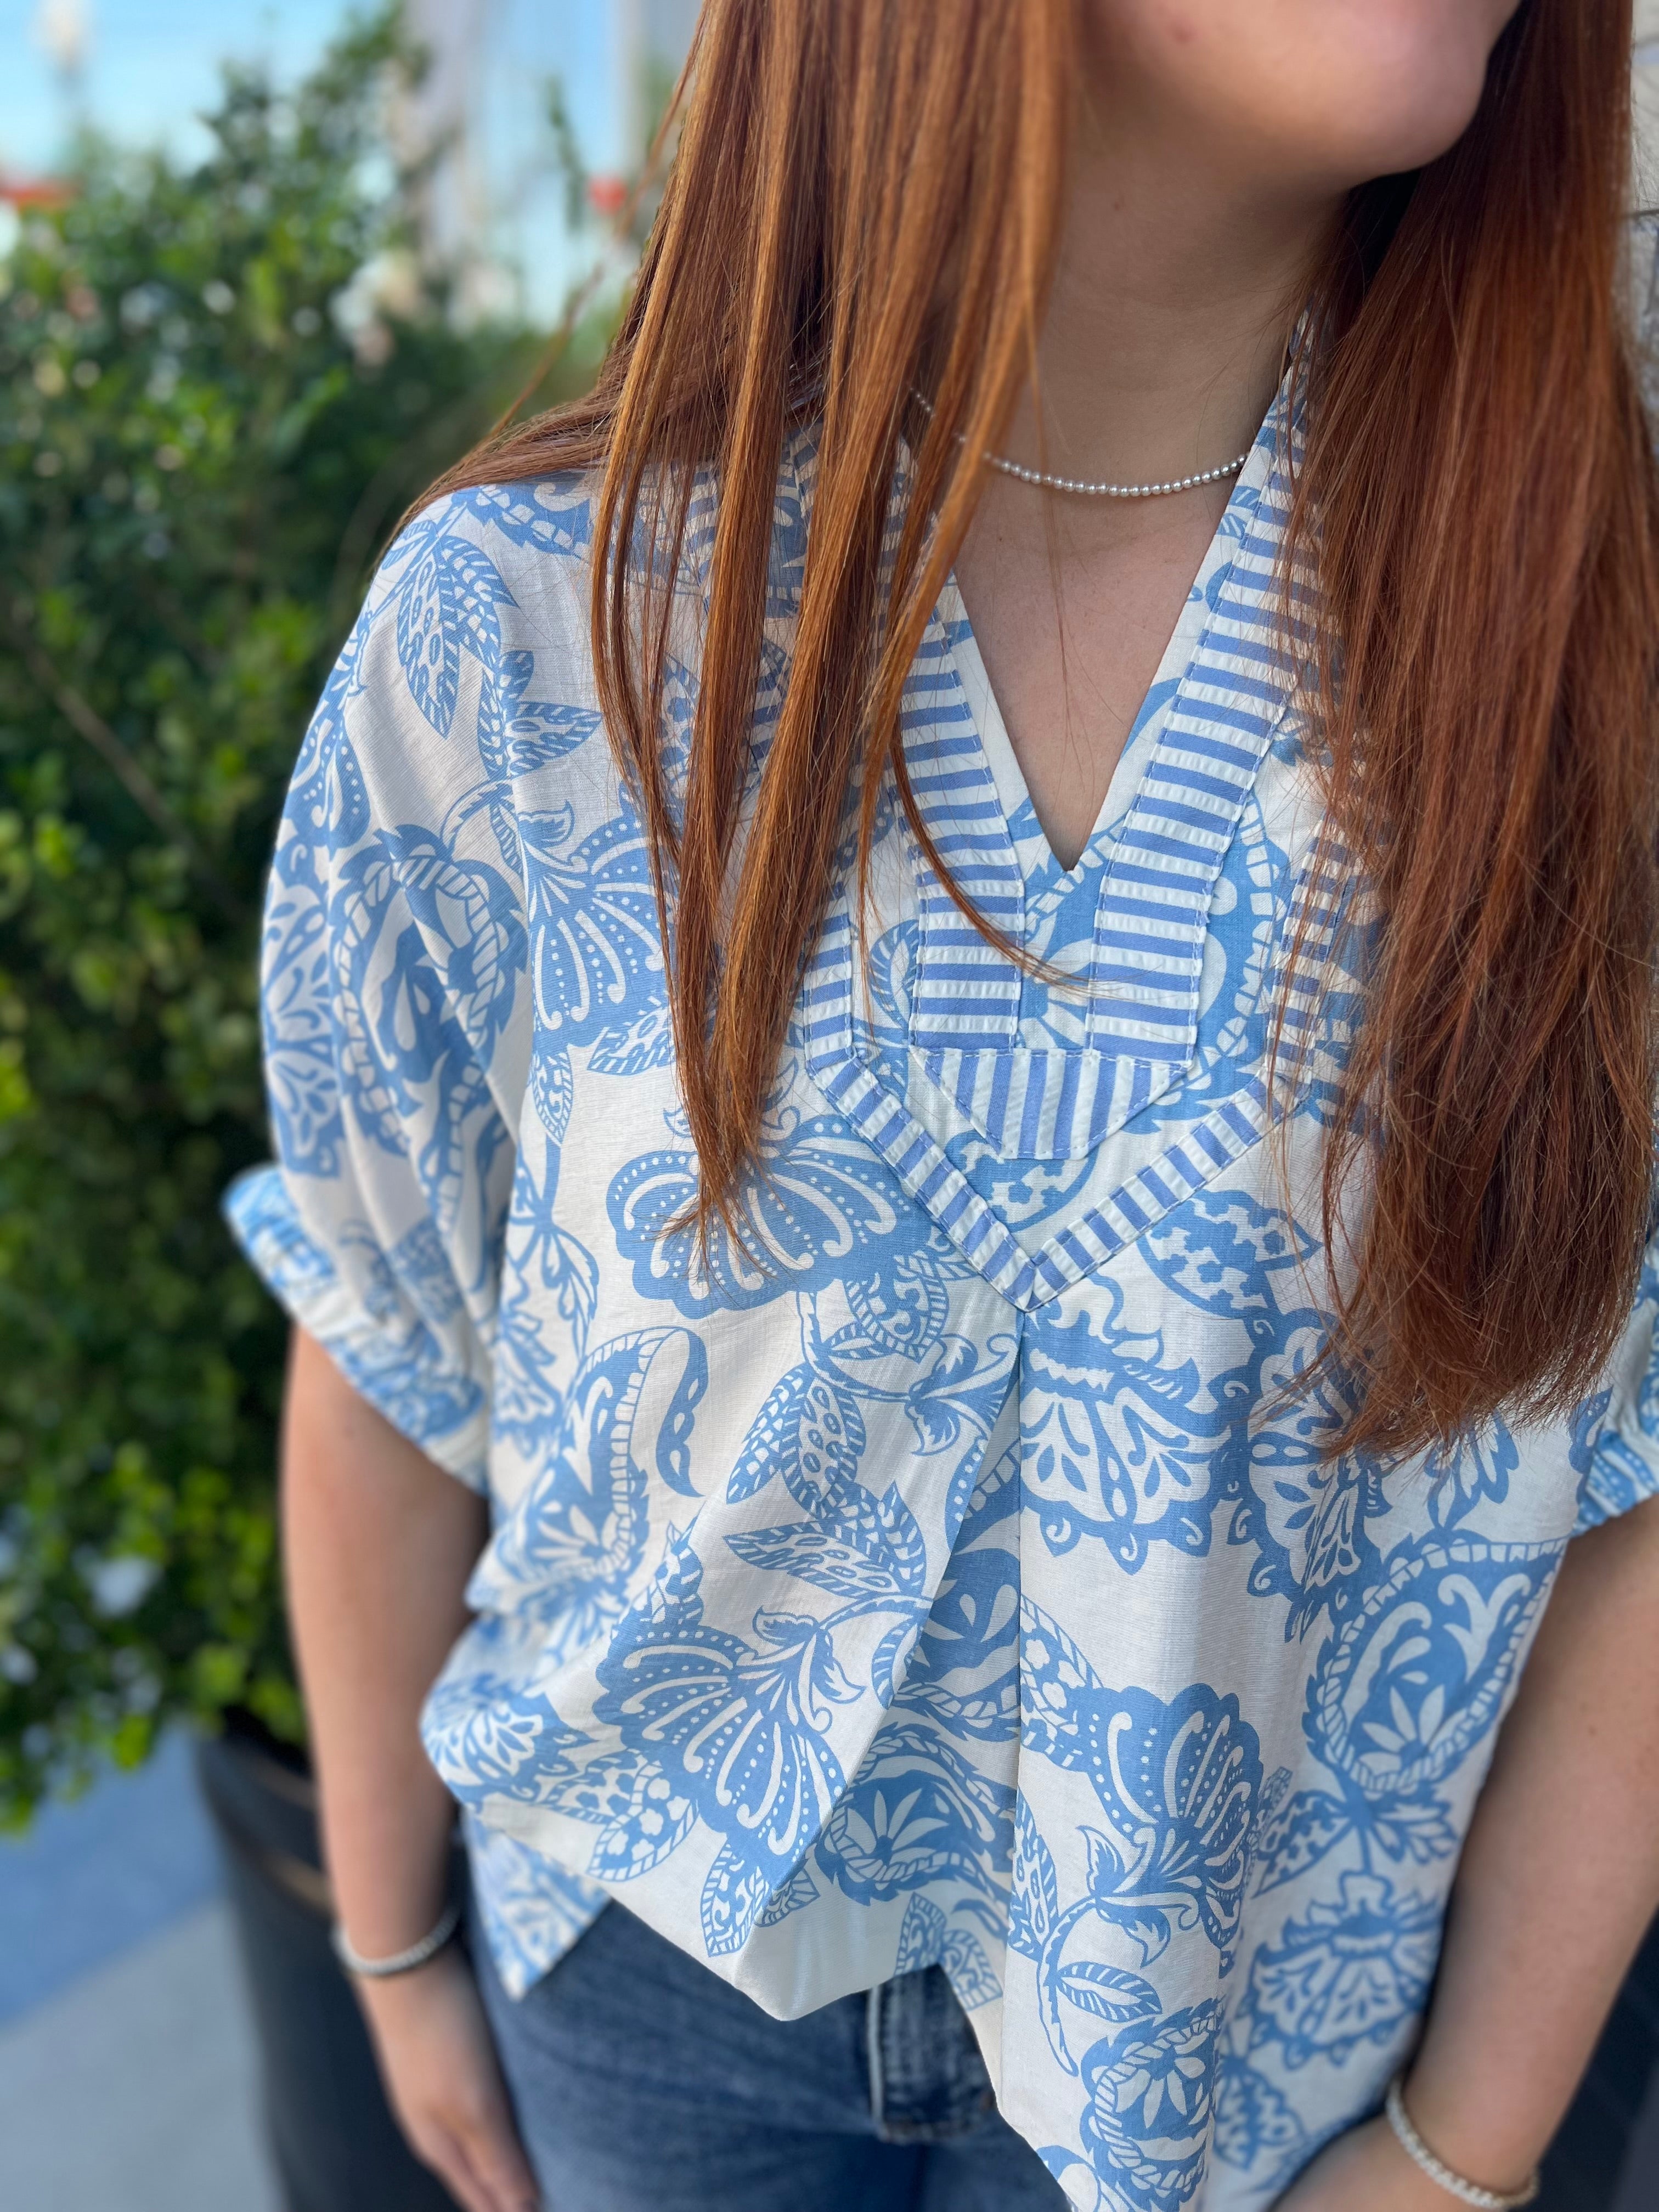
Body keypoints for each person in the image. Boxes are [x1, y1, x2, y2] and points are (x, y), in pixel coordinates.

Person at [227, 2, 1659, 2208]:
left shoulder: (1584, 679)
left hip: (1251, 2051)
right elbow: (388, 1324)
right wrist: (394, 1943)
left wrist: (1468, 2149)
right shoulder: (529, 633)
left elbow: (1636, 1459)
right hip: (644, 1962)